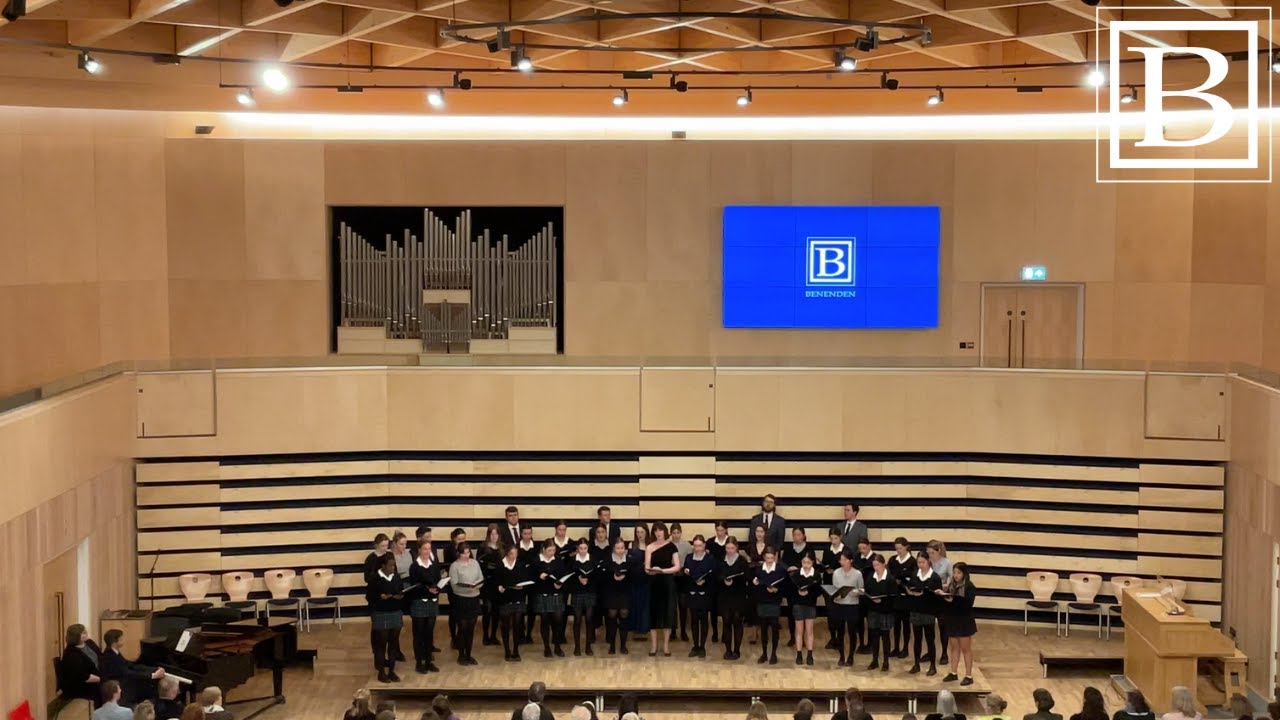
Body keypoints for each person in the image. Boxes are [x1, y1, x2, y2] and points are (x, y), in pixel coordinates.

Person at [408, 533, 444, 673]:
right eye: (425, 549)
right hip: (419, 602)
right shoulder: (414, 566)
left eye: (429, 549)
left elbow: (437, 580)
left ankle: (429, 661)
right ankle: (419, 662)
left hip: (432, 602)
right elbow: (415, 586)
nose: (427, 552)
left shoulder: (434, 565)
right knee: (418, 633)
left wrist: (437, 589)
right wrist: (428, 589)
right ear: (419, 550)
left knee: (429, 633)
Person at [99, 629, 164, 704]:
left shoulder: (114, 652)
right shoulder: (109, 656)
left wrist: (153, 669)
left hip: (123, 679)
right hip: (119, 684)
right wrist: (153, 675)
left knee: (144, 681)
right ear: (114, 643)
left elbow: (130, 665)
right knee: (145, 685)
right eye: (121, 639)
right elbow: (127, 673)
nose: (123, 640)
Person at [368, 553, 406, 682]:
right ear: (383, 566)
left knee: (393, 642)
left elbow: (400, 591)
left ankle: (392, 670)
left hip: (395, 612)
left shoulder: (396, 577)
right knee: (381, 644)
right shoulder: (375, 579)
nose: (393, 568)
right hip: (381, 613)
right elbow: (369, 597)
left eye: (394, 565)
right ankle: (381, 672)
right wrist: (380, 597)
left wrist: (400, 596)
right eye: (390, 566)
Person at [645, 521, 681, 656]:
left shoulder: (672, 547)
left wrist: (663, 571)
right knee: (653, 614)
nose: (658, 533)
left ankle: (666, 646)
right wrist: (652, 570)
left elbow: (677, 566)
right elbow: (646, 567)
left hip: (667, 582)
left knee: (668, 614)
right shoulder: (649, 547)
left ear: (665, 532)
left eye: (660, 530)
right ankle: (654, 646)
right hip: (653, 583)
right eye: (655, 530)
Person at [941, 562, 978, 685]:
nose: (956, 575)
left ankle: (968, 675)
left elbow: (968, 605)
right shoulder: (952, 586)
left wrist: (953, 600)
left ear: (964, 574)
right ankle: (953, 673)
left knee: (965, 649)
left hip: (964, 621)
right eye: (954, 572)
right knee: (954, 648)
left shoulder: (969, 587)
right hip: (953, 620)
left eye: (959, 573)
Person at [906, 553, 942, 676]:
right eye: (919, 563)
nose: (920, 565)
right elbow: (910, 586)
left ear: (928, 561)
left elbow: (938, 597)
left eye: (923, 562)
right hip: (916, 610)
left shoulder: (935, 577)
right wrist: (910, 592)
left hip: (928, 612)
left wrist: (925, 594)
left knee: (930, 640)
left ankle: (932, 666)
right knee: (917, 639)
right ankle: (916, 664)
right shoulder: (915, 575)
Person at [532, 538, 568, 658]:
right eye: (549, 550)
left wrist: (559, 583)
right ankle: (547, 647)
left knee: (558, 620)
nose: (552, 553)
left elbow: (563, 575)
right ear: (543, 550)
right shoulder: (537, 561)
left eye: (553, 550)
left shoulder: (557, 560)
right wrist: (539, 576)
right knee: (545, 620)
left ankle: (557, 646)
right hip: (542, 593)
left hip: (556, 593)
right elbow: (531, 578)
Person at [449, 541, 483, 665]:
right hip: (462, 600)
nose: (466, 555)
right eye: (464, 553)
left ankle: (469, 654)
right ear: (459, 553)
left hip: (474, 598)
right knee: (462, 628)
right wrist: (467, 587)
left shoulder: (475, 563)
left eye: (468, 552)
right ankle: (461, 654)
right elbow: (454, 585)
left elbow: (481, 578)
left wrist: (476, 585)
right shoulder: (454, 566)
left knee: (471, 629)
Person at [496, 542, 530, 661]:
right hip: (505, 599)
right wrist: (499, 586)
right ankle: (507, 650)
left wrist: (522, 586)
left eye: (516, 553)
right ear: (507, 553)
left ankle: (516, 650)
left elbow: (525, 579)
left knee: (517, 625)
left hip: (518, 598)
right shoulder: (500, 565)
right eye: (511, 554)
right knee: (505, 626)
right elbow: (496, 581)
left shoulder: (520, 564)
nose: (514, 556)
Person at [780, 527, 815, 646]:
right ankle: (793, 636)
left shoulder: (809, 548)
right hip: (792, 584)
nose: (796, 537)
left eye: (799, 534)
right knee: (792, 611)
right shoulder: (789, 547)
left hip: (806, 585)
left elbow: (811, 565)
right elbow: (783, 562)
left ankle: (805, 638)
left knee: (805, 613)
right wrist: (788, 568)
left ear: (804, 535)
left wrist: (799, 569)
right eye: (794, 535)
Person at [828, 549, 863, 667]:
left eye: (844, 560)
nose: (842, 562)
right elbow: (834, 588)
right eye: (841, 560)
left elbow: (862, 590)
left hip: (852, 605)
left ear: (851, 561)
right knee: (840, 631)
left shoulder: (857, 573)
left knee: (852, 631)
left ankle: (851, 656)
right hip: (839, 604)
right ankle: (841, 655)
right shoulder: (836, 572)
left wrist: (856, 592)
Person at [683, 534, 715, 658]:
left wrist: (704, 581)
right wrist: (687, 573)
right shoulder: (689, 558)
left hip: (705, 593)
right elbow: (687, 572)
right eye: (695, 546)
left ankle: (702, 646)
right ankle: (695, 645)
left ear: (704, 545)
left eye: (700, 546)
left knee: (704, 619)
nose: (697, 548)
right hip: (692, 592)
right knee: (694, 620)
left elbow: (712, 575)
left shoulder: (709, 558)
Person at [753, 545, 786, 664]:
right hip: (762, 601)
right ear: (764, 557)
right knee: (763, 629)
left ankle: (773, 653)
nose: (769, 560)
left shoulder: (780, 570)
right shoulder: (758, 570)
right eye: (767, 558)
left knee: (774, 628)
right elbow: (755, 587)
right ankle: (764, 653)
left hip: (774, 602)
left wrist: (776, 590)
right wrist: (760, 586)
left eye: (772, 558)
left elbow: (783, 586)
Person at [718, 536, 749, 660]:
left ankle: (737, 650)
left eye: (732, 548)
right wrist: (723, 580)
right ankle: (728, 649)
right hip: (725, 595)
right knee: (726, 621)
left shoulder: (742, 560)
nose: (729, 550)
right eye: (727, 548)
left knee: (737, 621)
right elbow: (717, 575)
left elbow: (746, 576)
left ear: (736, 547)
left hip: (738, 595)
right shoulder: (721, 560)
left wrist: (734, 581)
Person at [601, 536, 634, 654]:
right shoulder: (608, 560)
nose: (620, 550)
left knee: (624, 615)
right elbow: (603, 576)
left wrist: (626, 576)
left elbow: (633, 577)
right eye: (618, 548)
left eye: (622, 548)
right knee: (612, 616)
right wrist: (612, 576)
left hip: (625, 592)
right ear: (613, 548)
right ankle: (612, 645)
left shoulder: (629, 560)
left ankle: (623, 645)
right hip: (611, 591)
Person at [864, 554, 896, 672]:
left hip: (885, 612)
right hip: (873, 610)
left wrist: (881, 600)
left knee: (885, 637)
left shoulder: (890, 579)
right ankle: (875, 660)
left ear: (883, 564)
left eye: (877, 565)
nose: (875, 567)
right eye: (874, 565)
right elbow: (867, 592)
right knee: (874, 636)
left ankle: (886, 661)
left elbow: (893, 597)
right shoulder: (870, 577)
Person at [567, 537, 598, 656]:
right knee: (577, 619)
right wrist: (578, 579)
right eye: (581, 548)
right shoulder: (572, 561)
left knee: (589, 619)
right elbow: (568, 577)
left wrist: (588, 580)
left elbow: (597, 577)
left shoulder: (593, 560)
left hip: (590, 591)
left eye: (585, 548)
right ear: (577, 549)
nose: (583, 551)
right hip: (577, 592)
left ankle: (588, 646)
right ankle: (577, 646)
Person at [888, 537, 916, 658]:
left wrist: (904, 582)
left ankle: (905, 648)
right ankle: (896, 647)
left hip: (907, 596)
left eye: (900, 548)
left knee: (905, 623)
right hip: (895, 595)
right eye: (896, 548)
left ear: (906, 547)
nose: (898, 551)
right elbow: (888, 574)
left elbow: (914, 579)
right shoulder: (893, 560)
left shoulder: (912, 561)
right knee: (896, 623)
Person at [60, 624, 102, 703]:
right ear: (75, 636)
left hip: (98, 675)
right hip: (82, 684)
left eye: (85, 631)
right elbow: (83, 676)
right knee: (110, 686)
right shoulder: (71, 654)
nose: (86, 633)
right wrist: (102, 679)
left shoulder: (90, 643)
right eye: (83, 632)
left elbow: (101, 656)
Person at [791, 553, 820, 666]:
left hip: (810, 604)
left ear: (812, 562)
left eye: (808, 563)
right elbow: (792, 590)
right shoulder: (796, 574)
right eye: (804, 563)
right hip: (798, 604)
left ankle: (809, 654)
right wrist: (798, 592)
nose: (806, 565)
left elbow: (818, 591)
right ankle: (799, 654)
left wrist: (809, 592)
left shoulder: (816, 575)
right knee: (799, 630)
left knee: (809, 631)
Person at [926, 540, 953, 665]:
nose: (930, 555)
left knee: (943, 626)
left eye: (932, 553)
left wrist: (946, 585)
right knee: (928, 627)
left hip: (941, 597)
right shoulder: (927, 562)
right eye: (928, 553)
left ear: (939, 551)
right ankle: (930, 651)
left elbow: (952, 579)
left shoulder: (946, 563)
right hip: (930, 597)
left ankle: (944, 653)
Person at [479, 523, 504, 647]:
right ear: (488, 535)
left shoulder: (502, 548)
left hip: (497, 582)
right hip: (487, 582)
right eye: (492, 534)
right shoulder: (483, 548)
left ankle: (493, 635)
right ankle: (485, 636)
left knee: (496, 611)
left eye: (496, 534)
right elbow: (479, 564)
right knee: (487, 610)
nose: (494, 536)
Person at [707, 520, 731, 643]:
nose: (720, 532)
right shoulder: (710, 542)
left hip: (726, 577)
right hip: (713, 579)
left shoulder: (730, 541)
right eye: (718, 530)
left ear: (726, 530)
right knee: (713, 607)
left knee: (725, 607)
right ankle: (715, 632)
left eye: (722, 530)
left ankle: (725, 633)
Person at [626, 523, 652, 637]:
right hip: (634, 578)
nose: (639, 534)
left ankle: (644, 627)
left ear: (646, 532)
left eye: (642, 532)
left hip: (646, 578)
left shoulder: (650, 545)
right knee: (634, 602)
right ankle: (634, 626)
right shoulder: (632, 544)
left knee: (644, 603)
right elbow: (628, 561)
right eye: (637, 532)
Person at [669, 522, 693, 643]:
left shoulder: (687, 545)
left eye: (678, 532)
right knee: (672, 605)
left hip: (683, 578)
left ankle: (683, 631)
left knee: (683, 605)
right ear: (670, 533)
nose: (676, 535)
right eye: (674, 533)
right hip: (672, 577)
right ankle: (673, 631)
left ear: (681, 533)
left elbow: (690, 560)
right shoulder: (667, 545)